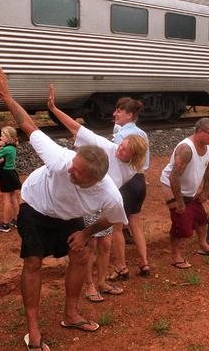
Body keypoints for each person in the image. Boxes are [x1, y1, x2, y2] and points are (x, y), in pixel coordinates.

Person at [0, 67, 127, 351]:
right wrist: (6, 96)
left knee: (82, 252)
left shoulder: (109, 194)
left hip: (68, 214)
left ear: (94, 180)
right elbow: (27, 123)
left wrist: (86, 232)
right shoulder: (61, 159)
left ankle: (71, 314)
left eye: (76, 173)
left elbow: (112, 219)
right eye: (72, 166)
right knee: (34, 261)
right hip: (36, 205)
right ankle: (33, 329)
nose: (69, 172)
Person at [46, 85, 147, 302]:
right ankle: (90, 286)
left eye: (124, 149)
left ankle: (101, 282)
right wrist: (54, 109)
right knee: (90, 244)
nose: (119, 148)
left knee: (106, 244)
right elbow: (77, 129)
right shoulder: (108, 148)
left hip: (103, 206)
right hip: (87, 202)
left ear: (133, 155)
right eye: (121, 145)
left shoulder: (132, 169)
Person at [160, 118, 209, 269]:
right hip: (173, 188)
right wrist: (179, 201)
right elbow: (173, 176)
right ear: (200, 131)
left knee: (201, 219)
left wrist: (205, 190)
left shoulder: (208, 146)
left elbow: (208, 168)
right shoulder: (186, 149)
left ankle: (203, 245)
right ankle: (175, 256)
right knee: (181, 225)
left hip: (190, 189)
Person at [108, 97, 152, 280]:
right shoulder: (142, 133)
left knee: (116, 227)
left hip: (124, 183)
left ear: (130, 114)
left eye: (119, 111)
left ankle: (121, 267)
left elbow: (116, 163)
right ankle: (144, 263)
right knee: (135, 222)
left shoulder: (121, 136)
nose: (115, 114)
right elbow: (146, 161)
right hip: (139, 181)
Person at [0, 126, 22, 232]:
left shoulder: (5, 148)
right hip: (12, 174)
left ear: (8, 137)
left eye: (2, 135)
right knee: (13, 197)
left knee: (6, 200)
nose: (0, 137)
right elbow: (2, 160)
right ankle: (17, 220)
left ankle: (5, 225)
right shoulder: (12, 147)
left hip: (6, 175)